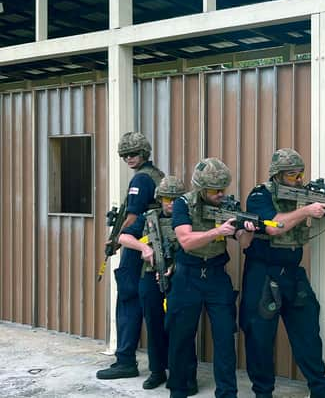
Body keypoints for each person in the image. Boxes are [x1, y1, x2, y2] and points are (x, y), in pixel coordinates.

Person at [239, 148, 325, 398]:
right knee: (260, 337)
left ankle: (320, 389)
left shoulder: (303, 192)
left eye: (300, 174)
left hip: (292, 274)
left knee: (307, 332)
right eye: (291, 175)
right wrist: (307, 211)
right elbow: (274, 226)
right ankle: (263, 393)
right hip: (263, 273)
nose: (297, 179)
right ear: (277, 175)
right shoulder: (259, 195)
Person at [166, 158, 256, 398]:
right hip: (188, 277)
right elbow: (185, 241)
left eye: (222, 189)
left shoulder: (227, 206)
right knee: (181, 335)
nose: (220, 194)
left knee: (225, 336)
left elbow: (244, 243)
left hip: (217, 277)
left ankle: (227, 392)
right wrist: (218, 231)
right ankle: (179, 389)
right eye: (214, 190)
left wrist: (246, 228)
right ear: (200, 189)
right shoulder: (183, 204)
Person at [116, 176, 197, 393]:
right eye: (166, 198)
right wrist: (144, 248)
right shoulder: (148, 218)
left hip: (182, 278)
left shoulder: (190, 218)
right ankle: (157, 371)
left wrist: (177, 265)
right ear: (159, 199)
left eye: (175, 199)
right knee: (154, 325)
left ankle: (187, 376)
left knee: (182, 329)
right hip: (151, 277)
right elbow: (123, 237)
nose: (170, 203)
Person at [96, 132, 165, 381]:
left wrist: (117, 241)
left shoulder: (141, 180)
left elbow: (134, 217)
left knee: (127, 301)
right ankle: (157, 364)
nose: (128, 159)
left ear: (144, 153)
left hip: (138, 247)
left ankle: (125, 360)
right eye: (124, 155)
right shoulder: (157, 176)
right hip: (149, 246)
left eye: (133, 154)